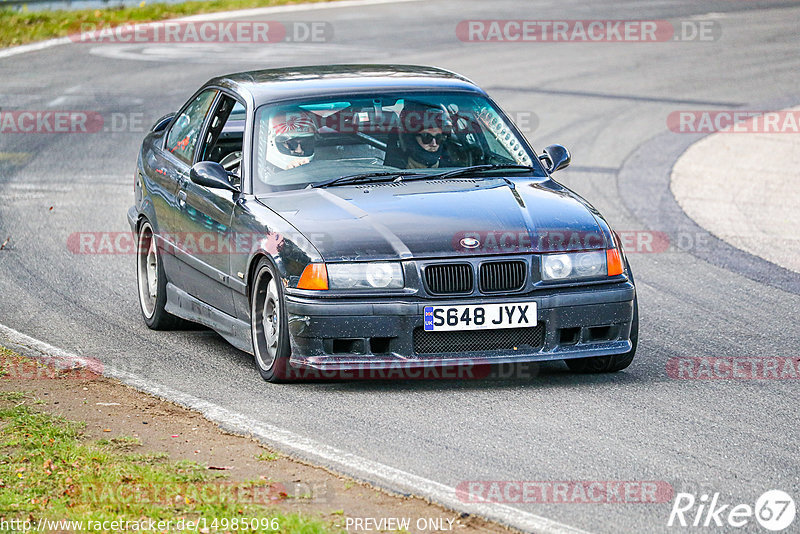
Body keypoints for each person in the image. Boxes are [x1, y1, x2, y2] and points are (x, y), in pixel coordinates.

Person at [396, 102, 452, 169]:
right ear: (411, 138)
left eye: (439, 138)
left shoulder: (454, 171)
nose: (434, 144)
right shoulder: (394, 172)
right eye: (427, 137)